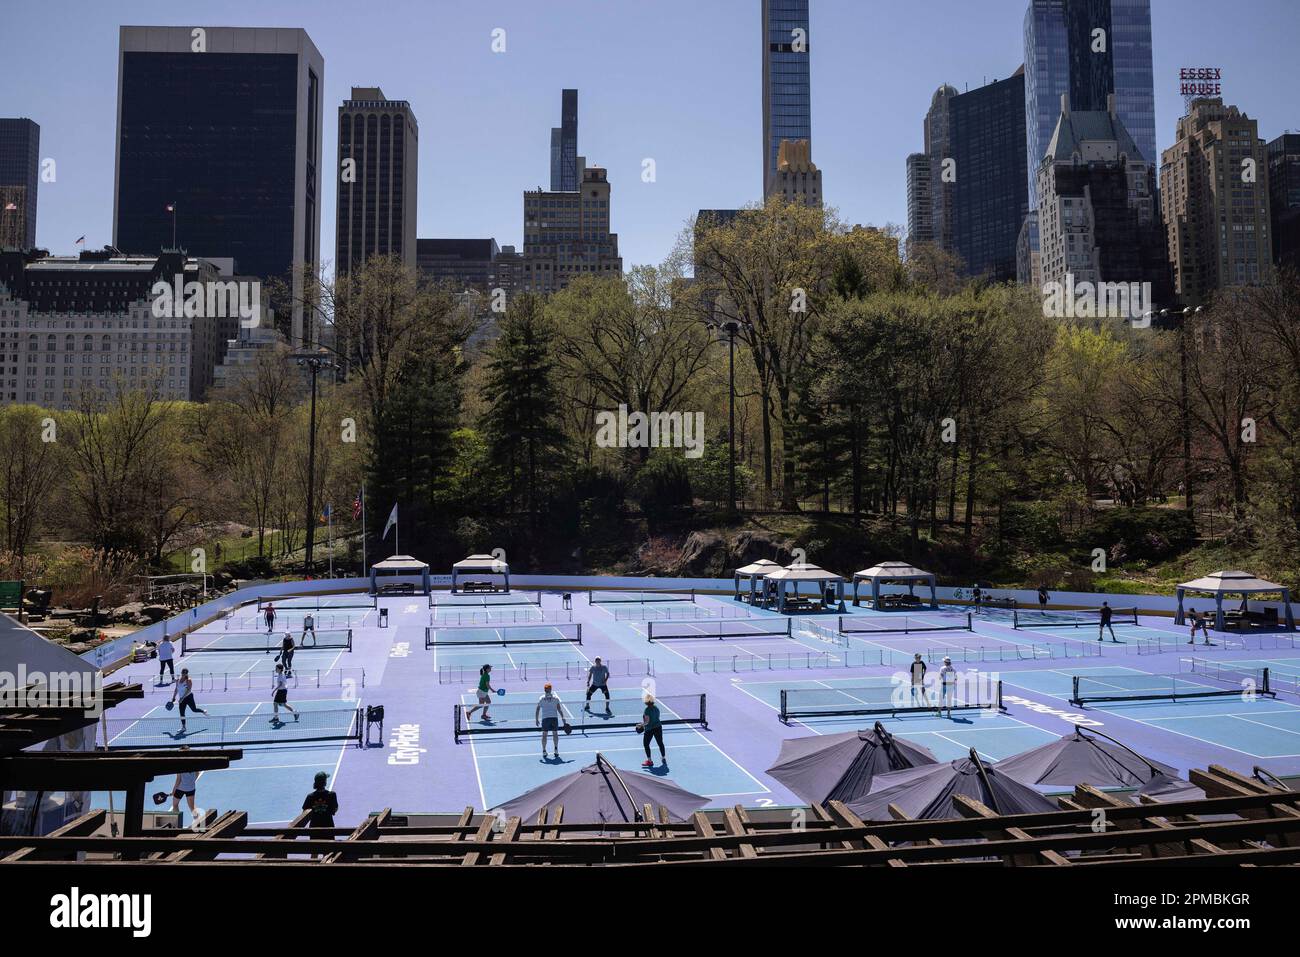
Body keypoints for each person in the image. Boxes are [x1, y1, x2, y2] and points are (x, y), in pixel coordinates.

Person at [534, 683, 570, 761]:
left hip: (545, 719)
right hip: (554, 718)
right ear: (551, 689)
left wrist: (536, 719)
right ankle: (556, 750)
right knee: (555, 734)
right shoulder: (556, 698)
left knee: (544, 735)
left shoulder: (541, 698)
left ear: (544, 690)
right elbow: (559, 709)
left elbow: (537, 709)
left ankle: (544, 751)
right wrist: (563, 718)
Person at [170, 668, 207, 733]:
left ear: (187, 673)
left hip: (189, 697)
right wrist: (173, 697)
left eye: (185, 673)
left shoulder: (188, 680)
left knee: (194, 710)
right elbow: (176, 689)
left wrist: (182, 698)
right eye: (183, 673)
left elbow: (188, 690)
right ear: (181, 673)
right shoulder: (178, 680)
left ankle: (203, 711)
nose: (183, 674)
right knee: (182, 713)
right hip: (182, 699)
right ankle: (183, 727)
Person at [169, 745, 199, 826]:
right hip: (191, 788)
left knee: (175, 805)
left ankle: (178, 824)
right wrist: (191, 782)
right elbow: (197, 773)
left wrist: (173, 790)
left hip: (180, 789)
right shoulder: (194, 762)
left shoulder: (180, 764)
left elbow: (178, 779)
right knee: (192, 807)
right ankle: (198, 823)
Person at [640, 695, 666, 768]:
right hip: (658, 727)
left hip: (649, 729)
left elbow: (647, 722)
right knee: (660, 743)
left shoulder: (647, 710)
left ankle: (649, 761)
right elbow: (657, 717)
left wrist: (640, 725)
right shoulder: (656, 708)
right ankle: (663, 757)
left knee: (646, 744)